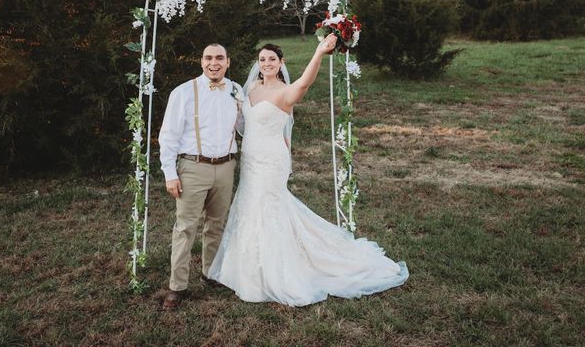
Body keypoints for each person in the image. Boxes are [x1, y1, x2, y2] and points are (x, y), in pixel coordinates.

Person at [208, 34, 409, 306]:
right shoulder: (250, 89)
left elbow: (304, 82)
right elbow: (241, 120)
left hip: (271, 161)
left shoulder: (285, 92)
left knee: (268, 209)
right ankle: (247, 269)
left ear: (281, 63)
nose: (267, 63)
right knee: (248, 206)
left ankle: (274, 271)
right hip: (251, 159)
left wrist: (318, 53)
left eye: (272, 59)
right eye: (262, 59)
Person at [158, 43, 241, 310]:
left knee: (216, 224)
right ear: (201, 61)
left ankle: (211, 273)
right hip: (193, 167)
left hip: (226, 166)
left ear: (228, 61)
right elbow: (168, 136)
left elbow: (243, 126)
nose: (213, 63)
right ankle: (177, 286)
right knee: (185, 228)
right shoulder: (183, 93)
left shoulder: (237, 90)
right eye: (208, 58)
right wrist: (170, 174)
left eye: (219, 58)